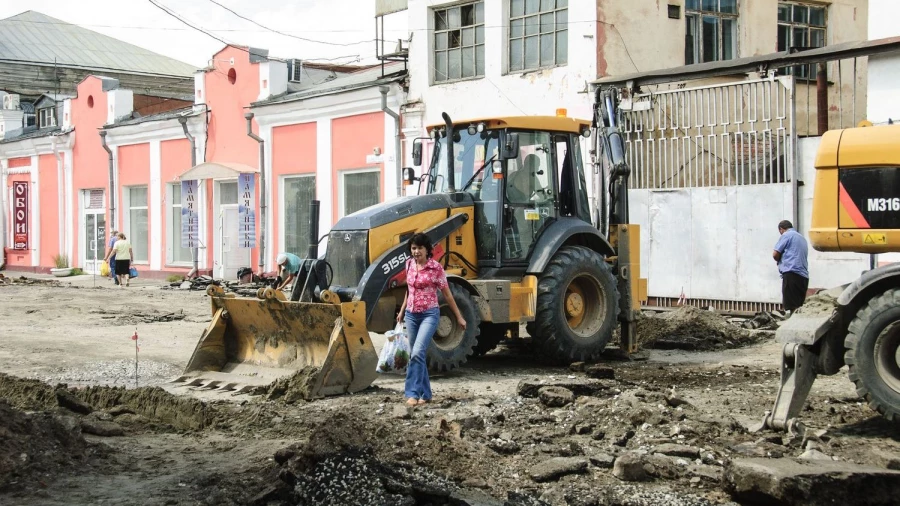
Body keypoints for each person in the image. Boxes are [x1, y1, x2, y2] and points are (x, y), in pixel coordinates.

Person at [396, 233, 467, 407]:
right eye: (413, 248)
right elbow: (409, 290)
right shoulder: (409, 264)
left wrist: (459, 317)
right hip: (411, 315)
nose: (416, 251)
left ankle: (412, 393)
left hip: (429, 314)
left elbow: (447, 294)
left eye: (420, 248)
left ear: (427, 250)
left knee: (417, 353)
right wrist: (402, 310)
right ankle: (426, 394)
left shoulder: (436, 268)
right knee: (417, 355)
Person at [773, 220, 809, 314]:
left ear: (781, 229)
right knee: (798, 305)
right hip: (803, 276)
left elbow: (775, 254)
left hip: (791, 273)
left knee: (791, 305)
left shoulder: (786, 235)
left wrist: (779, 261)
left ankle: (792, 326)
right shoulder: (802, 238)